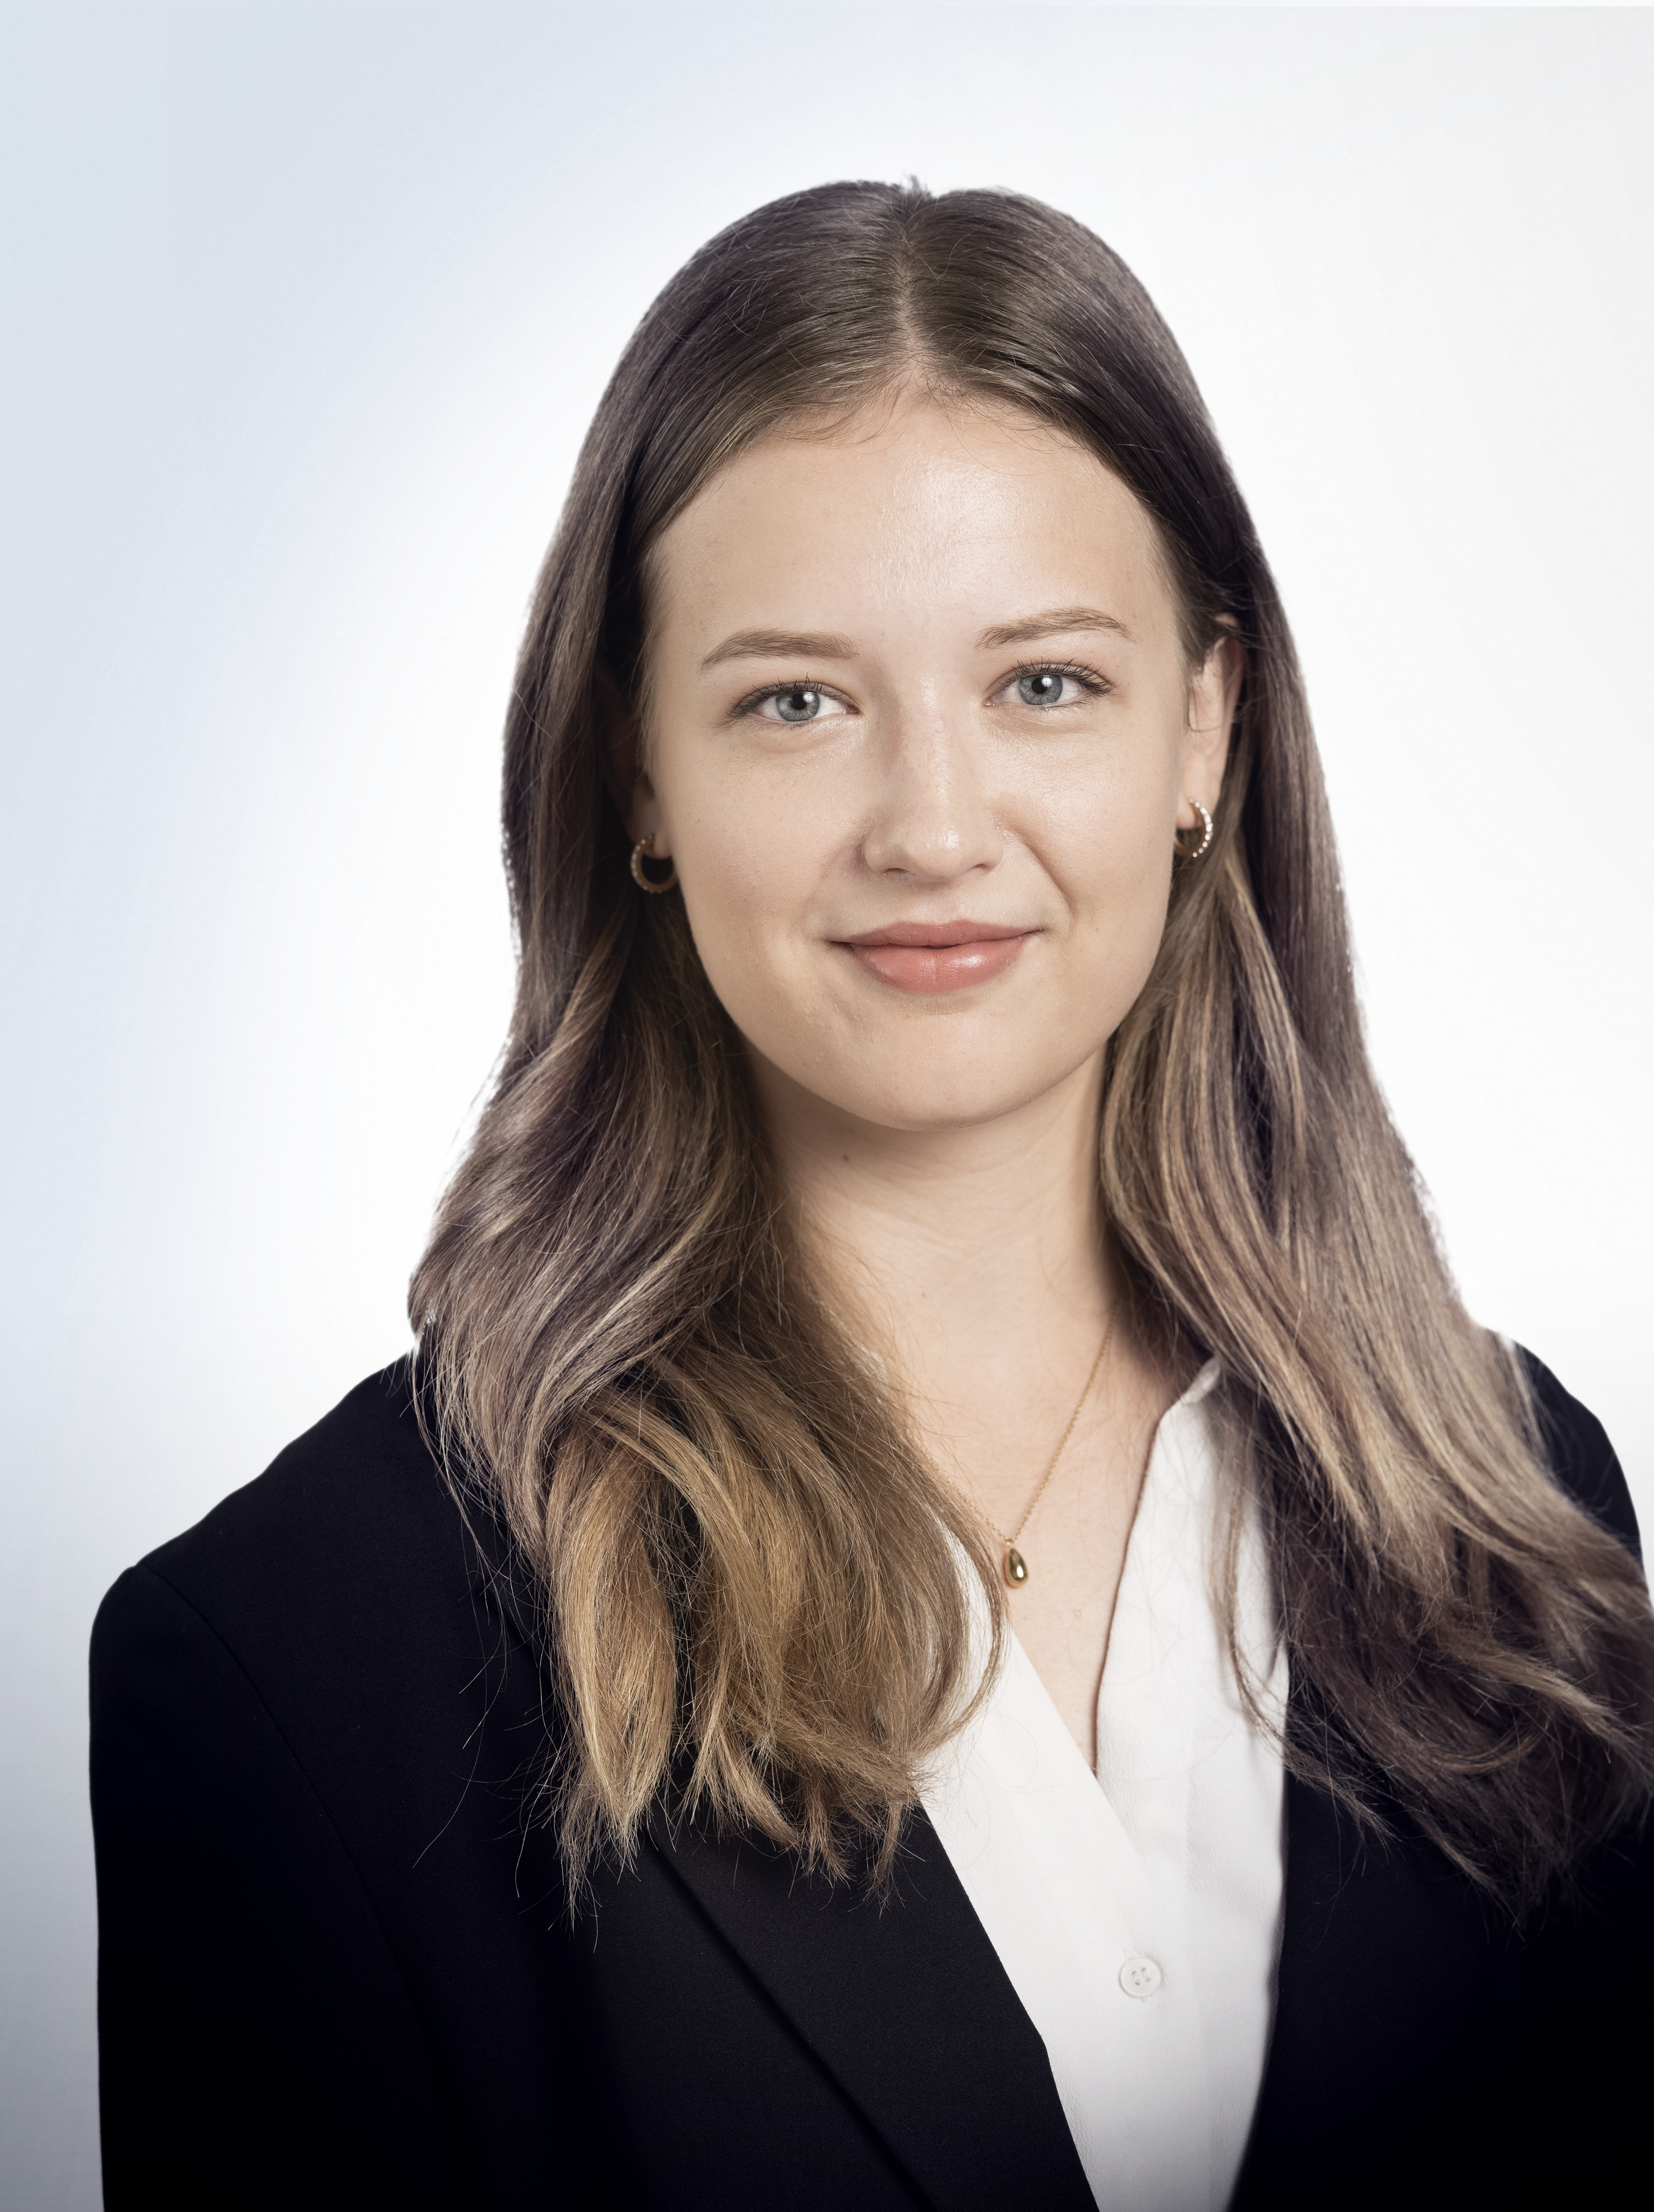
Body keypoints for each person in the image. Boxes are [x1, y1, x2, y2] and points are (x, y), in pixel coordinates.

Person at [90, 182, 1654, 2212]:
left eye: (1044, 684)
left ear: (1203, 727)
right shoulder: (296, 1669)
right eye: (796, 701)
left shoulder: (1515, 1511)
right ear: (637, 772)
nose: (931, 827)